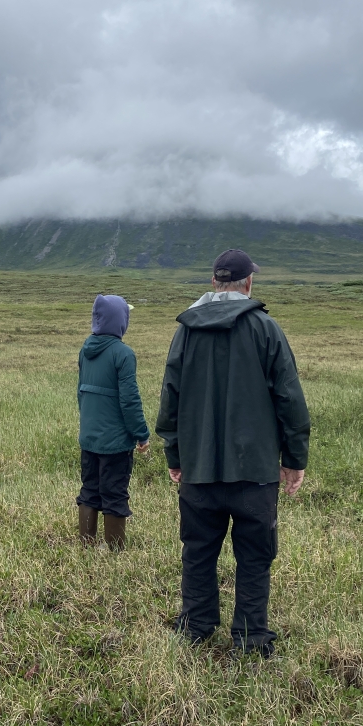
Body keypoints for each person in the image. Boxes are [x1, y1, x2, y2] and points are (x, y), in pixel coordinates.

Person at [155, 249, 310, 656]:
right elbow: (290, 399)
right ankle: (251, 639)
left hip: (198, 472)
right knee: (255, 557)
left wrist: (175, 455)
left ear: (214, 284)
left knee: (198, 550)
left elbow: (169, 398)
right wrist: (294, 460)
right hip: (255, 472)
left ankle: (195, 627)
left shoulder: (185, 331)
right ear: (248, 283)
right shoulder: (266, 328)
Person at [76, 294, 150, 550]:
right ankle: (114, 551)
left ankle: (87, 545)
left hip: (89, 437)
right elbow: (130, 401)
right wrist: (141, 434)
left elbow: (80, 393)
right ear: (120, 321)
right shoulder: (124, 354)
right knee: (115, 493)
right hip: (116, 442)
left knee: (89, 489)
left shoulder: (85, 349)